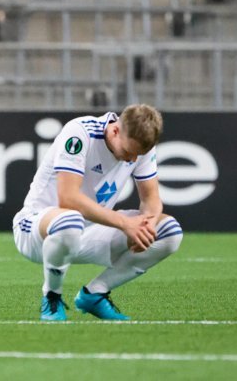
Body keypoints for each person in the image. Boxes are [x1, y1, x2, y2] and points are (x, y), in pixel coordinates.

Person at [12, 104, 183, 321]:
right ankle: (52, 296)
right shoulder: (80, 132)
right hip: (38, 229)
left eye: (137, 155)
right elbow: (69, 198)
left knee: (169, 231)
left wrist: (147, 223)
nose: (131, 160)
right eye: (128, 152)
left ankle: (95, 293)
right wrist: (124, 223)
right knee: (70, 219)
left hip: (90, 232)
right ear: (115, 131)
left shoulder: (142, 148)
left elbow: (151, 199)